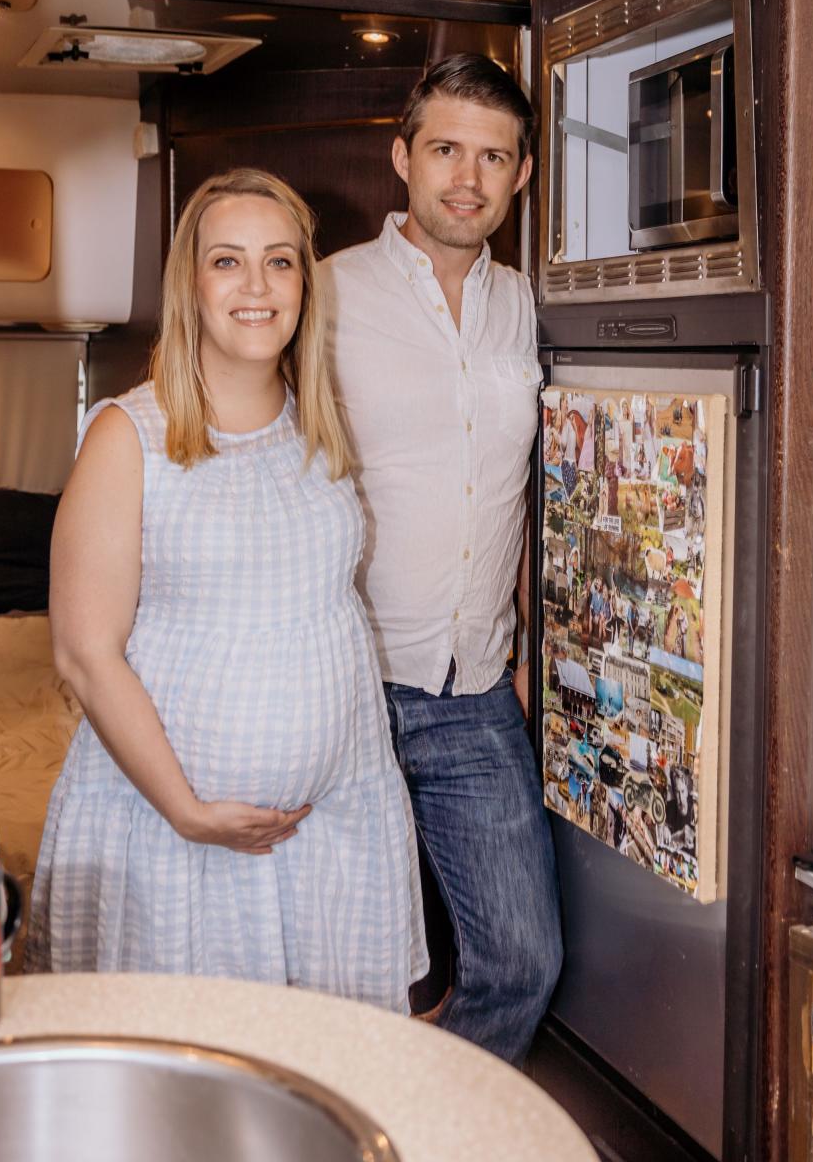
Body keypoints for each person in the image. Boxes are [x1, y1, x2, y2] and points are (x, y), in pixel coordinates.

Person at [26, 168, 428, 1011]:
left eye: (280, 262)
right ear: (190, 285)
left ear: (305, 285)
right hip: (172, 835)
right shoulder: (126, 437)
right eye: (228, 262)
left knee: (317, 1085)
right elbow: (85, 654)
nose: (256, 286)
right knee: (175, 1088)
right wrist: (187, 809)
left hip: (333, 831)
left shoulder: (319, 424)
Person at [321, 54, 562, 1065]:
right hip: (342, 687)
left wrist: (523, 656)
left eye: (493, 156)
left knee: (522, 962)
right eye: (446, 149)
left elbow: (519, 491)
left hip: (472, 696)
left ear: (523, 176)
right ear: (402, 158)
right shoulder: (324, 294)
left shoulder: (527, 307)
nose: (468, 176)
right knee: (341, 978)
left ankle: (419, 1123)